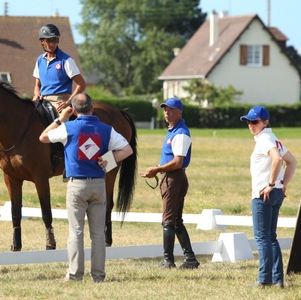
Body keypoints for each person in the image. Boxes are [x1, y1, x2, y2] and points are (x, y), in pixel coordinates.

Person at [39, 93, 133, 282]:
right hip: (98, 184)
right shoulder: (107, 129)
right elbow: (127, 150)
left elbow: (43, 137)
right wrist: (107, 160)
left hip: (77, 185)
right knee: (98, 233)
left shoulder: (68, 128)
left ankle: (75, 274)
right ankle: (98, 275)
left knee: (76, 232)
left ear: (74, 111)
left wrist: (60, 119)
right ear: (92, 108)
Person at [139, 97, 200, 269]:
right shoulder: (173, 131)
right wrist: (159, 168)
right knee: (176, 221)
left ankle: (168, 260)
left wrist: (157, 170)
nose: (167, 113)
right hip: (172, 176)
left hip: (174, 178)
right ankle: (190, 258)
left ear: (180, 112)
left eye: (171, 110)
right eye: (165, 110)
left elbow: (178, 162)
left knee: (168, 220)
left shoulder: (180, 133)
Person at [240, 106, 296, 288]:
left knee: (263, 238)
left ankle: (264, 280)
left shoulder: (264, 139)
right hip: (276, 192)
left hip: (264, 194)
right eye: (248, 121)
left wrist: (272, 184)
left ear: (265, 122)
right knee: (271, 237)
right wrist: (282, 184)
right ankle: (277, 279)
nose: (251, 125)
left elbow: (279, 160)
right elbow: (292, 161)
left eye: (255, 121)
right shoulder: (272, 138)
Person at [32, 23, 86, 113]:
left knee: (61, 122)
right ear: (42, 41)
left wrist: (69, 102)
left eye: (55, 40)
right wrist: (37, 94)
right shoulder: (39, 60)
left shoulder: (66, 60)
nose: (53, 44)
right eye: (49, 41)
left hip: (60, 102)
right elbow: (37, 85)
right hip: (43, 101)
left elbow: (81, 84)